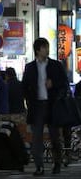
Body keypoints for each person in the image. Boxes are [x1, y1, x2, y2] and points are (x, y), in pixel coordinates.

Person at [22, 38, 69, 176]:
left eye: (47, 47)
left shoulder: (55, 65)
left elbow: (64, 83)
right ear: (37, 50)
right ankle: (39, 166)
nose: (46, 50)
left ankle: (57, 163)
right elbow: (24, 86)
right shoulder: (30, 67)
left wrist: (53, 84)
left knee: (55, 136)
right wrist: (29, 100)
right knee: (37, 138)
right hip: (37, 106)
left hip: (53, 104)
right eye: (44, 48)